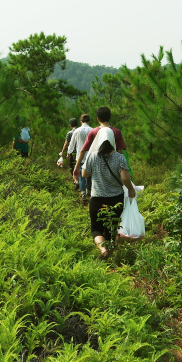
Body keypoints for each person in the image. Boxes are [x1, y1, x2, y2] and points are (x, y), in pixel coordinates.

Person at [81, 126, 136, 258]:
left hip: (97, 198)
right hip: (115, 199)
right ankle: (114, 252)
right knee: (115, 227)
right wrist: (131, 189)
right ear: (112, 140)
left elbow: (84, 174)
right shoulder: (119, 157)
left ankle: (103, 250)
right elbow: (124, 178)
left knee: (96, 228)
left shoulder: (92, 156)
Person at [74, 106, 127, 181]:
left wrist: (76, 167)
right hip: (113, 167)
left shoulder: (93, 132)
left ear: (98, 119)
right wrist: (125, 169)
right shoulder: (116, 132)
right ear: (110, 117)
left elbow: (83, 150)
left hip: (97, 167)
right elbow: (120, 152)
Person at [68, 113, 93, 201]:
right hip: (90, 157)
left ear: (80, 121)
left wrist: (69, 152)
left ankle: (83, 193)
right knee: (89, 175)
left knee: (81, 176)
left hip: (80, 156)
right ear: (89, 121)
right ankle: (89, 191)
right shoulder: (93, 130)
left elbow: (72, 144)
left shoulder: (77, 131)